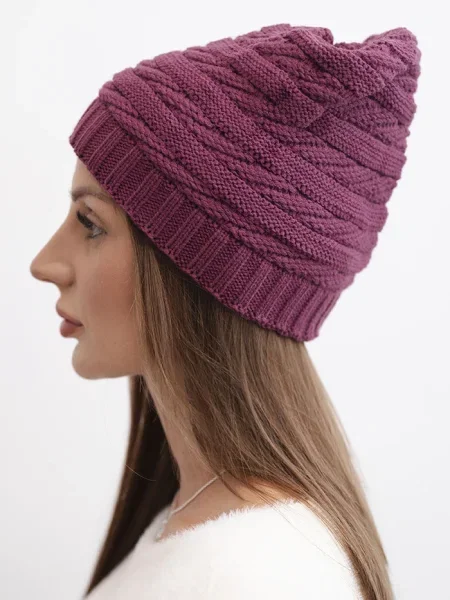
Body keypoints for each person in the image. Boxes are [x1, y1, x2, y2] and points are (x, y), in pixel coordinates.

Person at [29, 23, 421, 600]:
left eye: (90, 223)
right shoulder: (210, 533)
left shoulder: (244, 574)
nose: (45, 264)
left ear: (198, 270)